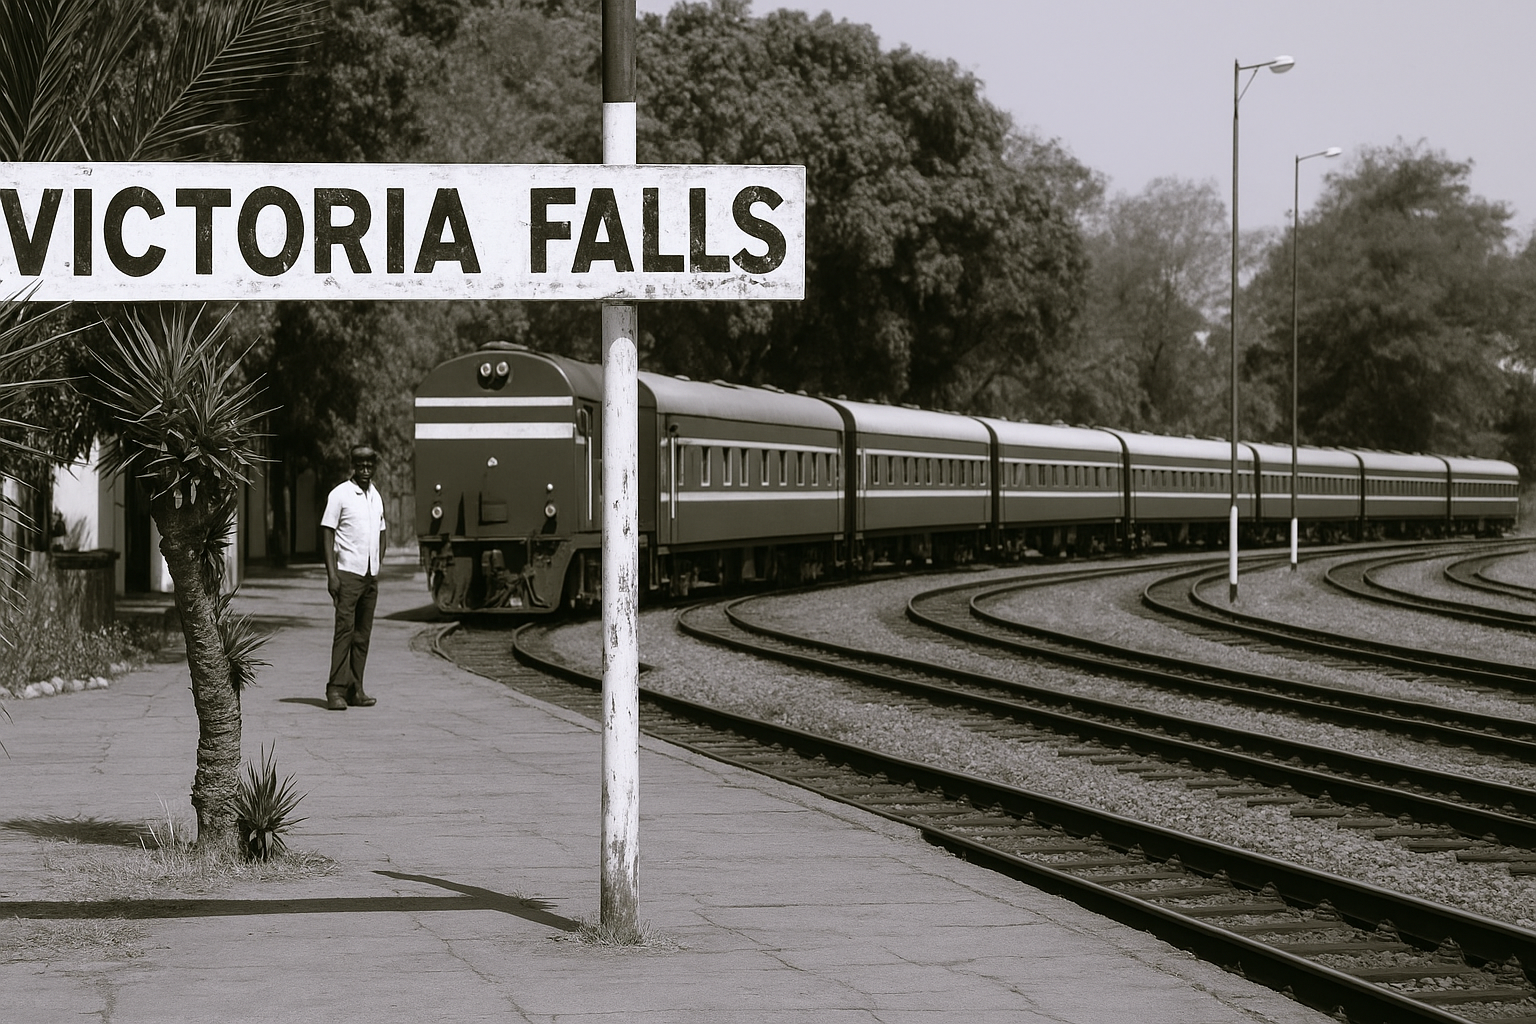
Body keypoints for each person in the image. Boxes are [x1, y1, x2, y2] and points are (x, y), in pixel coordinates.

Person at [321, 445, 387, 711]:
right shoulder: (340, 494)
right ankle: (335, 690)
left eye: (369, 466)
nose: (365, 470)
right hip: (348, 575)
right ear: (353, 466)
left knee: (362, 636)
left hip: (370, 577)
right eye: (360, 466)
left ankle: (355, 689)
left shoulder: (376, 496)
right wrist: (332, 575)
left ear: (374, 467)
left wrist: (378, 562)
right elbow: (327, 532)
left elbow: (382, 531)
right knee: (344, 633)